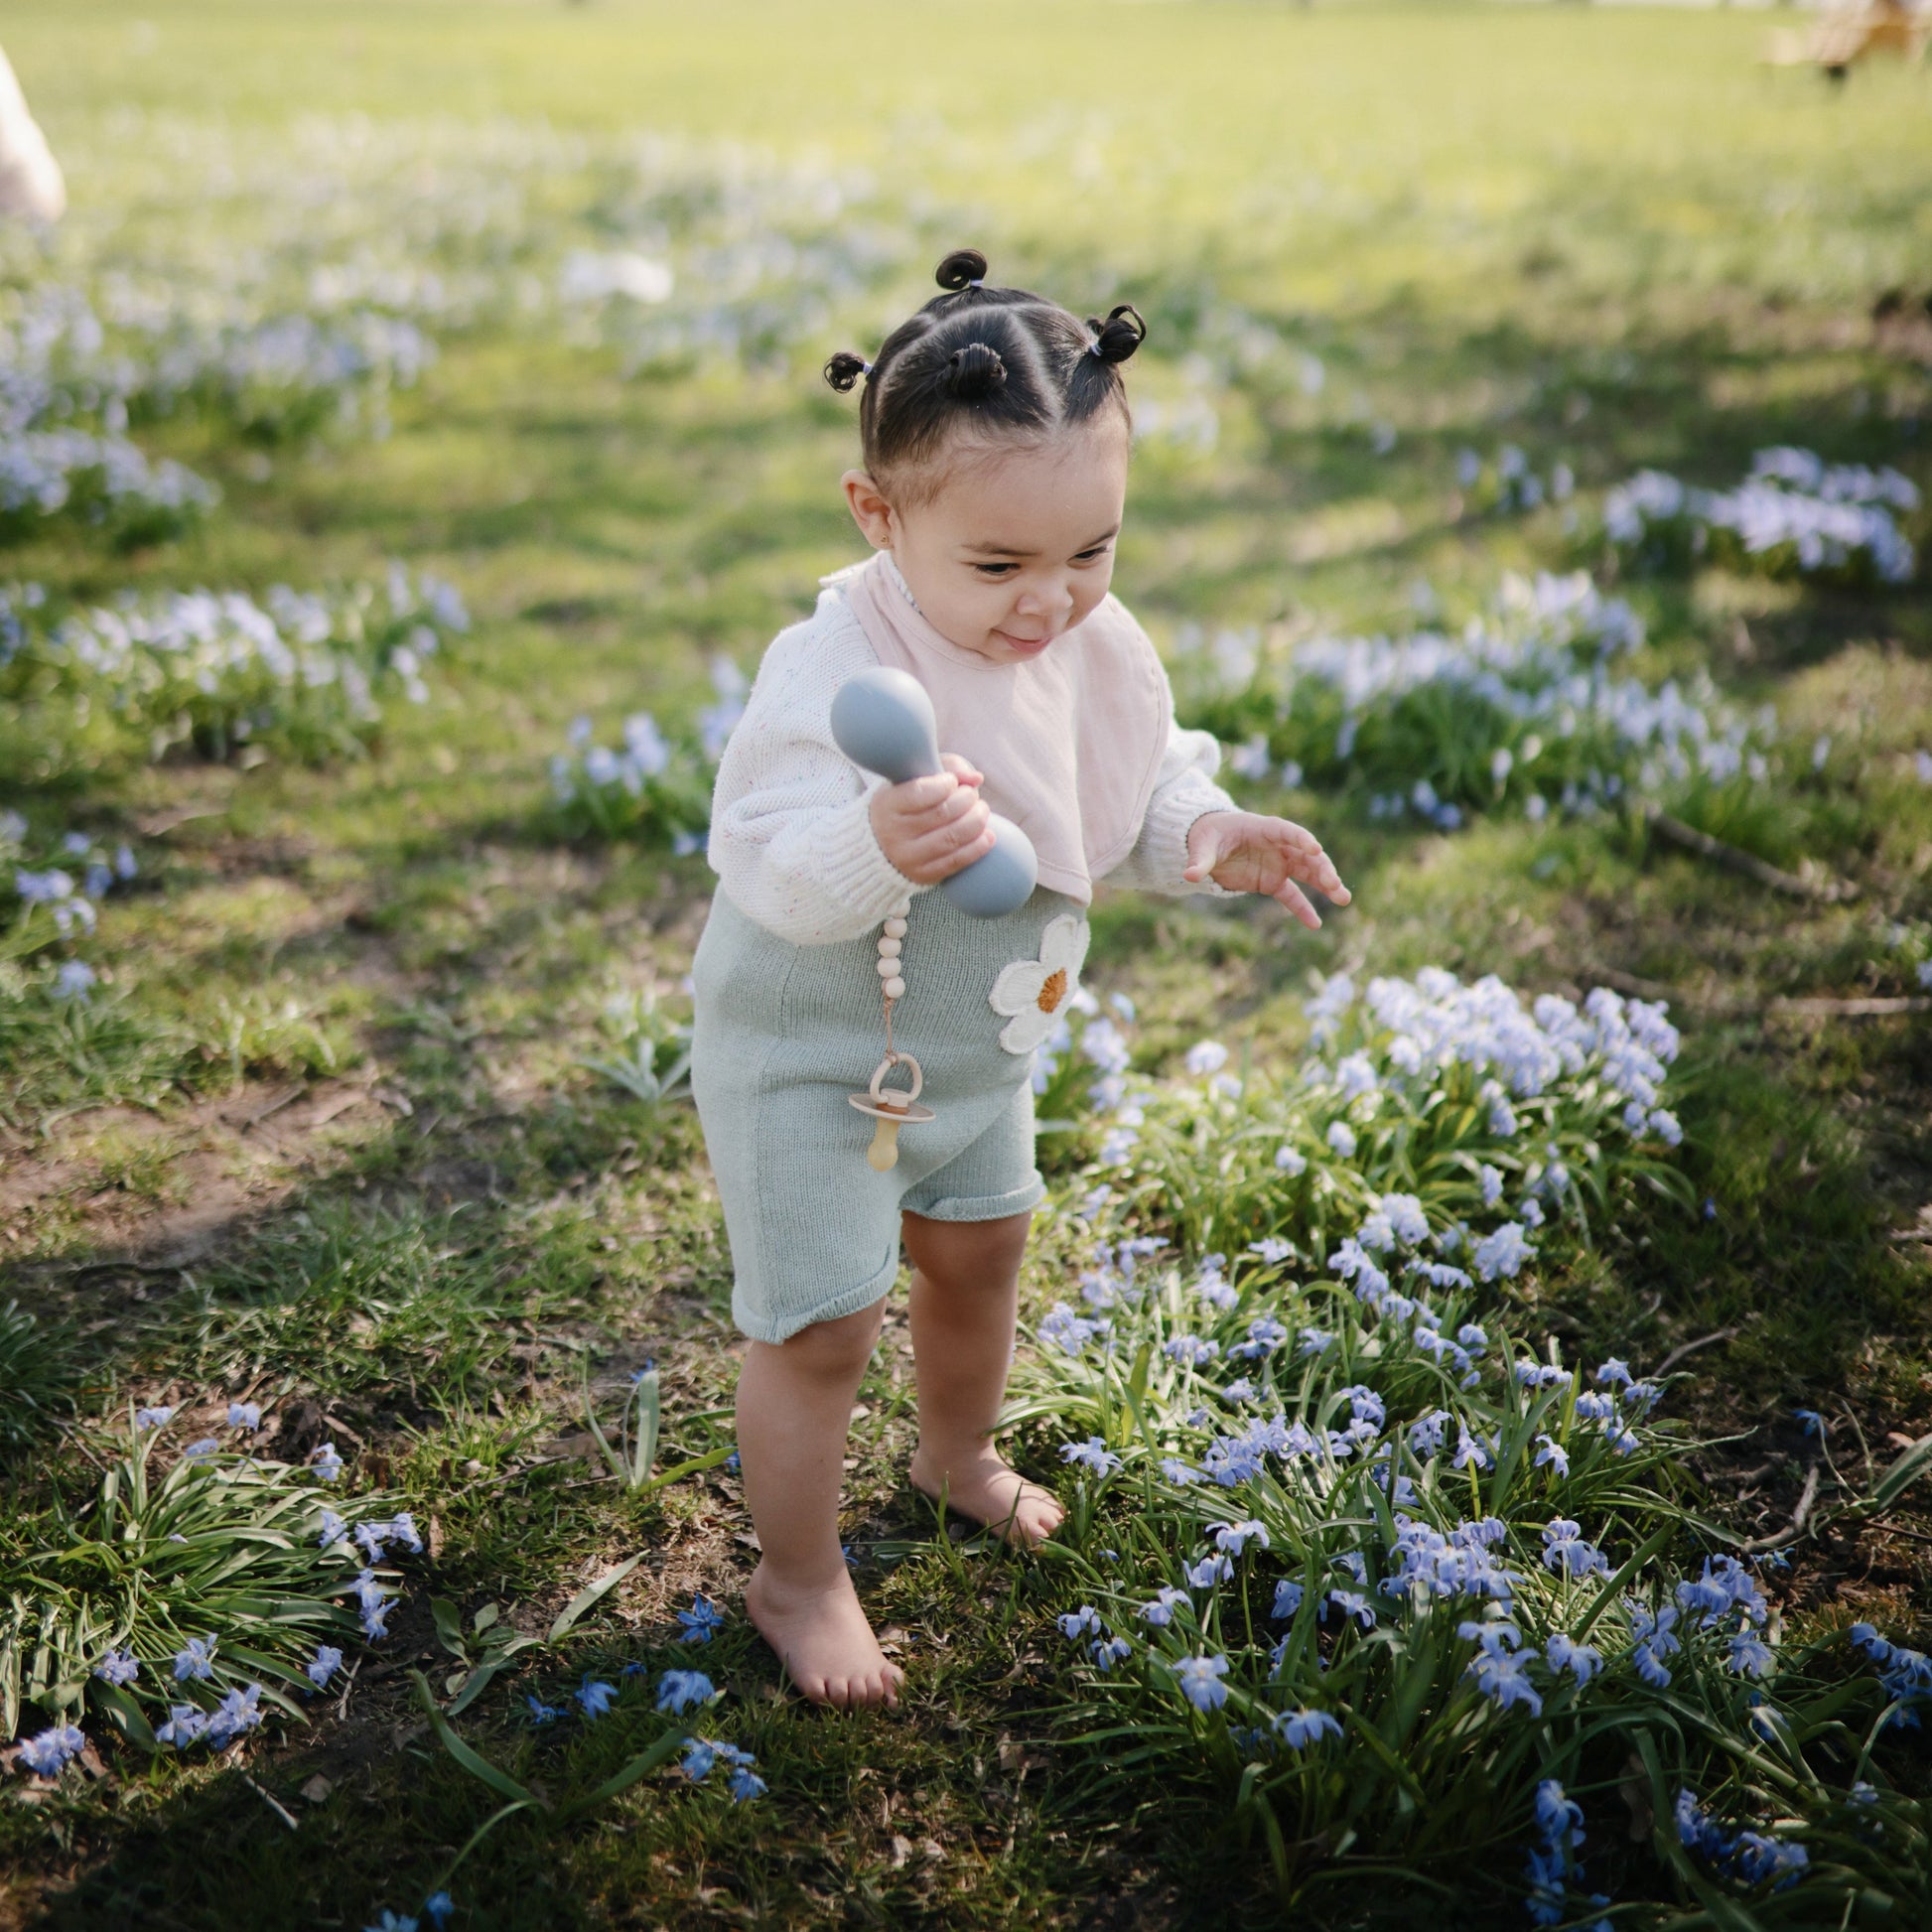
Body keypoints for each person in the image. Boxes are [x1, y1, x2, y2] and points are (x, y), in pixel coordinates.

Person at [691, 248, 1350, 1709]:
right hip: (814, 1052)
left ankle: (954, 1452)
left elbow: (1127, 772)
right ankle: (795, 1576)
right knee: (820, 1323)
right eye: (998, 564)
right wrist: (875, 836)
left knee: (982, 1248)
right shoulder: (834, 663)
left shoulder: (1087, 637)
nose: (1051, 602)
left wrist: (1206, 828)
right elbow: (763, 860)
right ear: (878, 513)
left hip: (983, 1049)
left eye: (1092, 550)